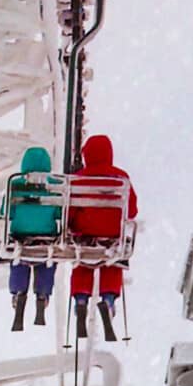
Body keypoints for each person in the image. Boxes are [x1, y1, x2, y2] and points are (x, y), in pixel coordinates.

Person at [67, 133, 138, 341]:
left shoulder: (79, 178)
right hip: (111, 235)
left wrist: (73, 225)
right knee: (113, 262)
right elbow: (131, 210)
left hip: (85, 233)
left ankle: (81, 301)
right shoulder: (121, 177)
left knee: (83, 262)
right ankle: (108, 301)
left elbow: (69, 210)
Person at [3, 146, 60, 330]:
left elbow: (6, 213)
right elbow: (60, 213)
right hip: (47, 236)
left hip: (21, 235)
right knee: (46, 259)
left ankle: (19, 293)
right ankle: (42, 295)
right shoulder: (55, 185)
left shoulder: (15, 183)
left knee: (19, 257)